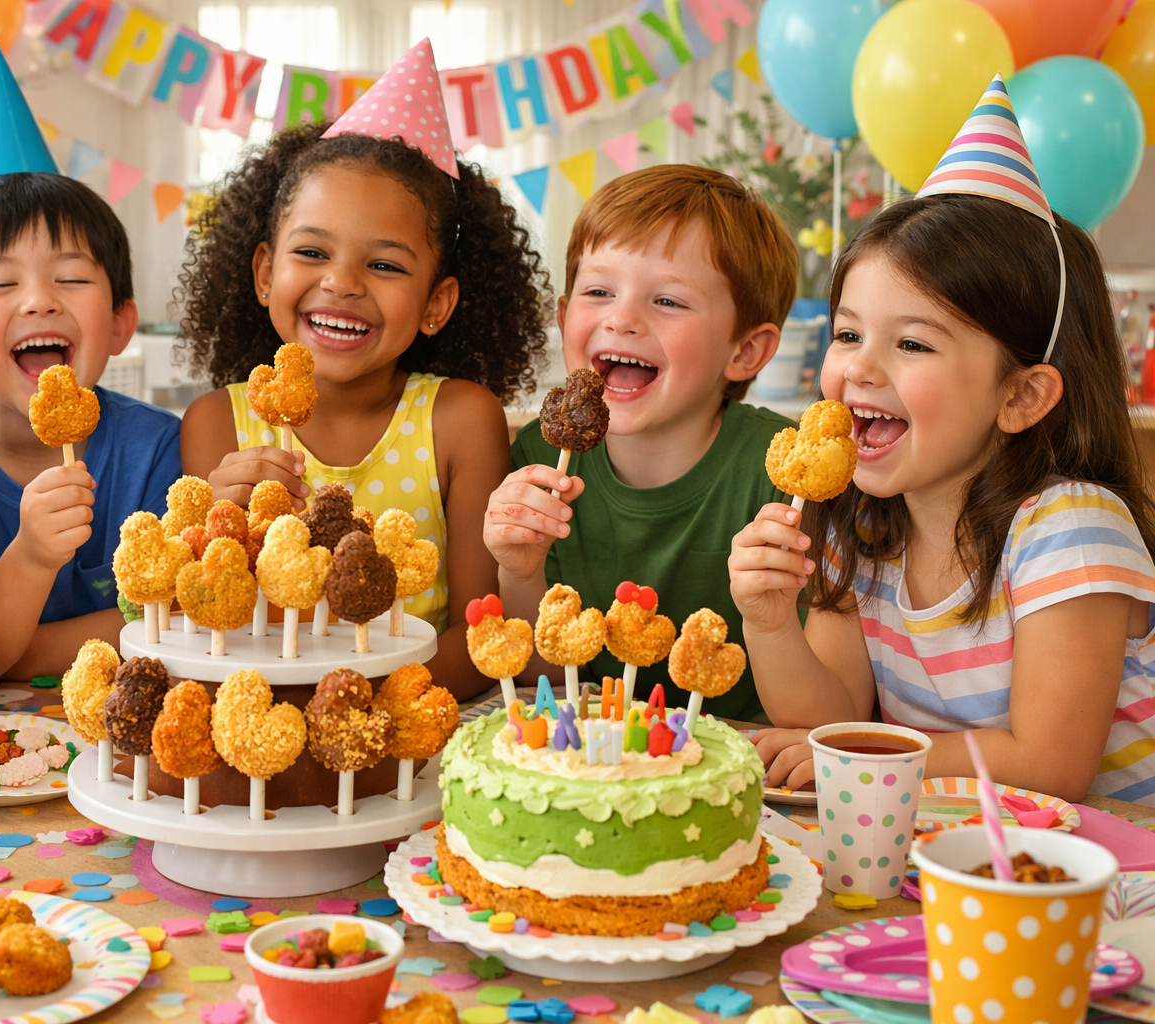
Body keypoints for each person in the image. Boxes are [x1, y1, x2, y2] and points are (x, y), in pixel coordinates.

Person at [729, 76, 1155, 804]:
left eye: (914, 345)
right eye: (848, 333)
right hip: (956, 841)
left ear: (1021, 395)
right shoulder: (862, 522)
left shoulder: (1069, 530)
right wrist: (768, 622)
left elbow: (1050, 763)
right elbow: (826, 723)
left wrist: (865, 757)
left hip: (1109, 862)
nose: (859, 366)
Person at [177, 42, 550, 700]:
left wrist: (357, 705)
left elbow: (478, 628)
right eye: (312, 251)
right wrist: (224, 533)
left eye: (385, 264)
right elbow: (199, 629)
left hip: (415, 722)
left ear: (436, 303)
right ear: (266, 274)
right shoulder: (218, 424)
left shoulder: (461, 421)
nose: (342, 282)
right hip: (264, 716)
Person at [0, 42, 180, 685]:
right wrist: (30, 556)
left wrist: (10, 650)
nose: (40, 299)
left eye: (72, 277)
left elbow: (177, 624)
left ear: (120, 325)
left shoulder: (158, 451)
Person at [483, 164, 798, 720]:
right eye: (599, 291)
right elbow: (539, 682)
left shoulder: (783, 474)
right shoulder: (538, 460)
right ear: (563, 318)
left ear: (745, 351)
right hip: (590, 764)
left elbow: (820, 716)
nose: (622, 318)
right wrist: (520, 571)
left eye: (668, 301)